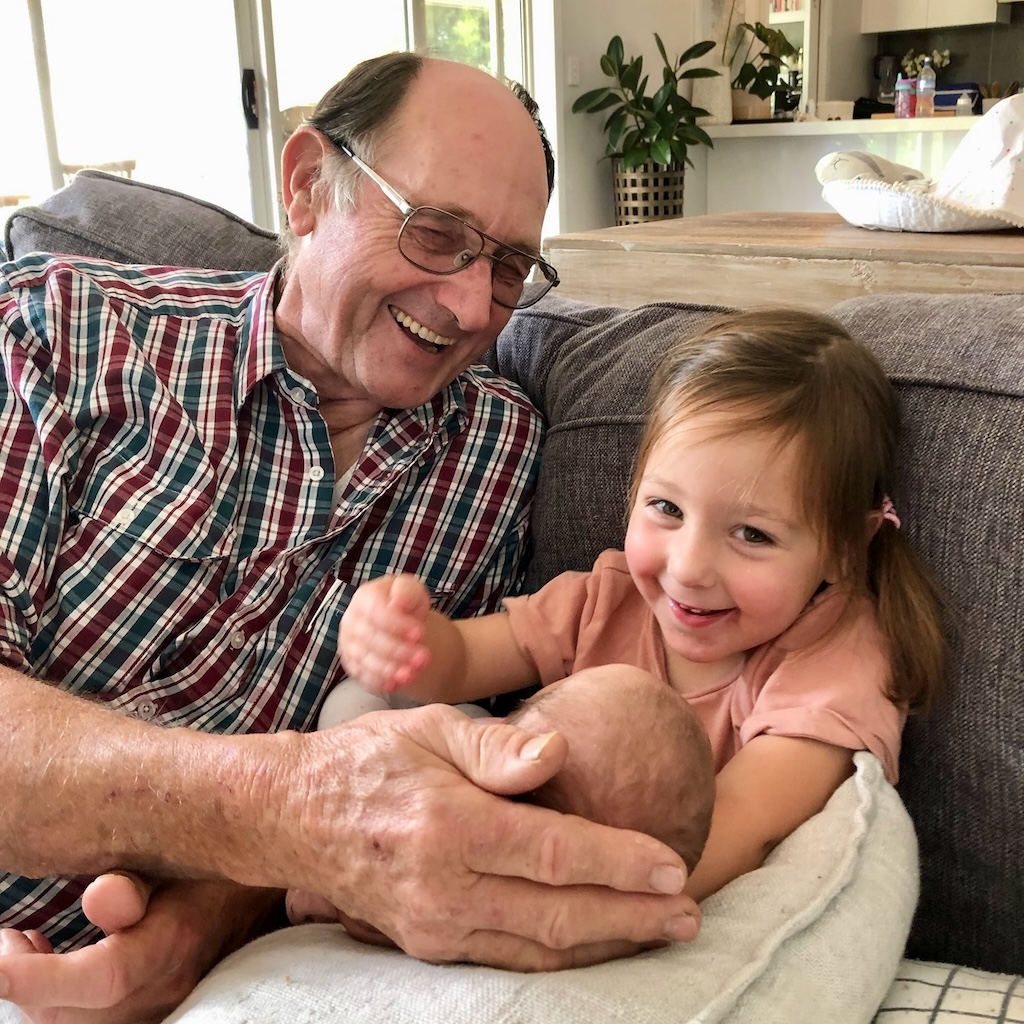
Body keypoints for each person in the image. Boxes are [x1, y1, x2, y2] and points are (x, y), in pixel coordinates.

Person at [0, 53, 703, 1023]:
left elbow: (397, 771)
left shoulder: (495, 456)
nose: (466, 308)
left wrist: (204, 921)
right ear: (306, 186)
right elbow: (328, 804)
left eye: (506, 268)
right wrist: (290, 816)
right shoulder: (62, 335)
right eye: (436, 233)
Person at [336, 307, 946, 904]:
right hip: (505, 817)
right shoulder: (608, 598)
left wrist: (567, 897)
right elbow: (465, 662)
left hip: (648, 882)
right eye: (667, 509)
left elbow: (744, 826)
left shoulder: (833, 654)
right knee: (359, 703)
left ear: (844, 549)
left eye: (753, 535)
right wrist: (406, 640)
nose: (687, 568)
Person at [288, 667, 717, 937]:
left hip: (367, 749)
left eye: (542, 698)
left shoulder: (435, 838)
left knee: (352, 702)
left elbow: (373, 898)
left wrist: (323, 896)